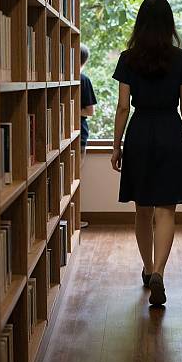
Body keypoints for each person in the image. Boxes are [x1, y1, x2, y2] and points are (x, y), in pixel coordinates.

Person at [110, 0, 182, 306]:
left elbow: (123, 107)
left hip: (139, 133)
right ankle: (160, 271)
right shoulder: (181, 58)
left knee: (142, 208)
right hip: (171, 132)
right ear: (169, 23)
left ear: (140, 22)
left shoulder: (128, 58)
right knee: (166, 210)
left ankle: (147, 269)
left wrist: (116, 144)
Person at [80, 43, 97, 229]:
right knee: (74, 178)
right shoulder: (83, 79)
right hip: (78, 136)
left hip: (64, 136)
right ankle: (73, 219)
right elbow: (90, 111)